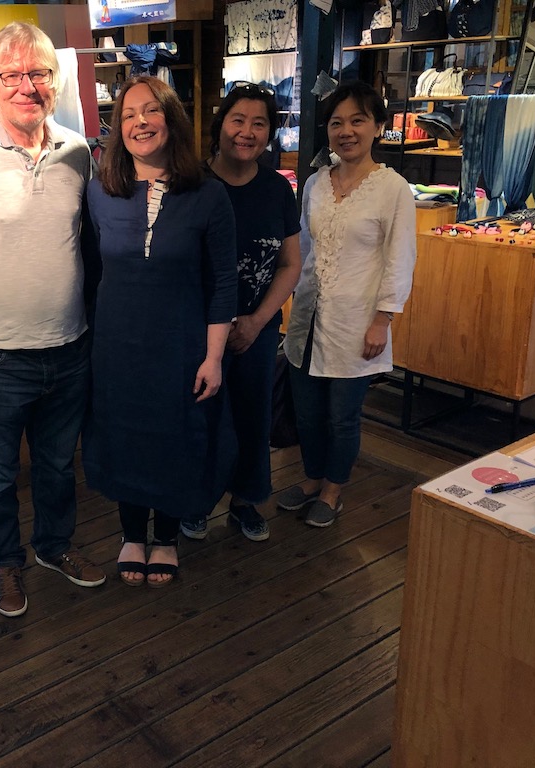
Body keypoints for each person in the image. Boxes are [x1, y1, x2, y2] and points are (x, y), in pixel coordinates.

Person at [0, 21, 106, 618]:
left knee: (59, 464)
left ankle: (55, 547)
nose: (26, 86)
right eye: (12, 75)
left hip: (69, 343)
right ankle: (6, 565)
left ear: (54, 83)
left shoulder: (78, 151)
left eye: (38, 74)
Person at [85, 76, 237, 587]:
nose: (140, 123)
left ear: (171, 121)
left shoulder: (209, 196)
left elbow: (222, 285)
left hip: (182, 346)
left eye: (151, 112)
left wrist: (214, 357)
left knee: (176, 439)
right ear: (117, 129)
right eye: (128, 115)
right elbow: (89, 274)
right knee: (125, 438)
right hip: (116, 346)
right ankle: (131, 533)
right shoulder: (99, 193)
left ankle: (167, 537)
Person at [279, 80, 416, 527]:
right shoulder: (317, 182)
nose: (346, 130)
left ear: (377, 126)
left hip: (357, 323)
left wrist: (383, 321)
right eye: (337, 122)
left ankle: (334, 489)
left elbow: (400, 259)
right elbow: (301, 247)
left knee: (341, 417)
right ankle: (313, 477)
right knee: (308, 413)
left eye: (358, 120)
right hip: (307, 318)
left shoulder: (393, 189)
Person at [180, 84, 302, 545]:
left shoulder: (276, 189)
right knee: (201, 416)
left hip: (257, 327)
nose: (247, 132)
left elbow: (291, 263)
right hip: (196, 329)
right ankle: (195, 500)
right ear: (220, 124)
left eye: (259, 123)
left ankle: (247, 500)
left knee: (252, 416)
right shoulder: (192, 184)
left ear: (270, 132)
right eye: (238, 120)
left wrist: (256, 322)